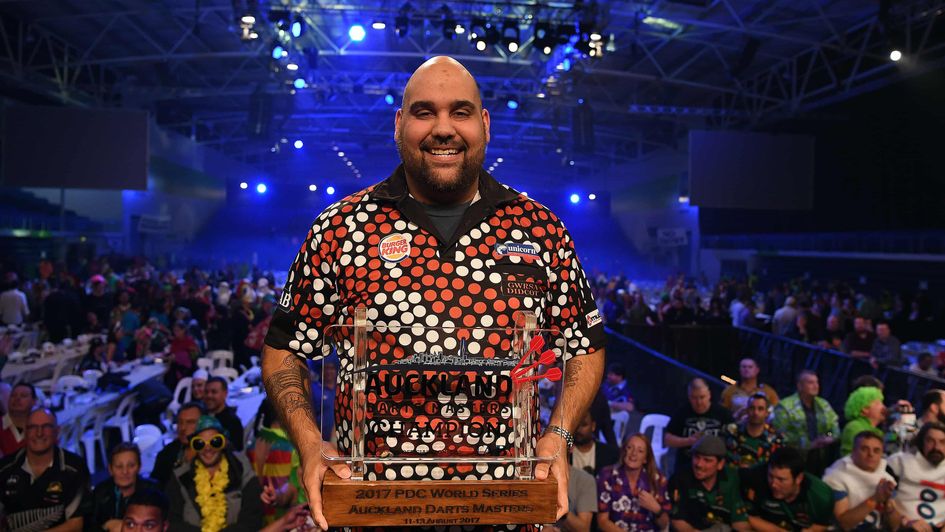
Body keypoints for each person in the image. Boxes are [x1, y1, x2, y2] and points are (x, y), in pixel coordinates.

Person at [261, 55, 606, 528]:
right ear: (399, 124)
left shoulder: (540, 229)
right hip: (372, 511)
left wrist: (559, 434)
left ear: (484, 124)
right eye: (425, 112)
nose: (443, 128)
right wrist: (309, 442)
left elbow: (584, 346)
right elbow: (283, 351)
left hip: (504, 511)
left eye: (460, 112)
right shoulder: (341, 228)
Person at [165, 415, 262, 531]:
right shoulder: (181, 477)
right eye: (200, 443)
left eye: (215, 442)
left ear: (224, 442)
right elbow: (173, 522)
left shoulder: (242, 470)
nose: (208, 448)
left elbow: (252, 520)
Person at [0, 408, 91, 530]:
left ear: (57, 431)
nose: (39, 433)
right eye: (33, 427)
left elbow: (76, 525)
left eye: (46, 427)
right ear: (26, 432)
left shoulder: (74, 468)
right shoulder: (5, 468)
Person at [740, 446, 836, 531]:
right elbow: (745, 516)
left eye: (781, 479)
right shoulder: (753, 477)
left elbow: (822, 524)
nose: (773, 484)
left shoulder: (821, 497)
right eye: (770, 476)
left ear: (799, 478)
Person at [668, 435, 750, 531]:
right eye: (696, 457)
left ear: (720, 464)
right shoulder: (680, 478)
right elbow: (677, 521)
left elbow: (739, 521)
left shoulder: (731, 477)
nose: (699, 464)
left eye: (707, 460)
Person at [823, 431, 898, 531]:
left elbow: (895, 526)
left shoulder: (886, 479)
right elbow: (844, 524)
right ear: (853, 451)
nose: (871, 454)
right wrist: (875, 499)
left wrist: (889, 506)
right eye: (864, 449)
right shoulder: (836, 477)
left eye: (876, 451)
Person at [596, 434, 671, 531]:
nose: (634, 453)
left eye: (640, 451)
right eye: (630, 447)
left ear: (645, 459)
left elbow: (664, 525)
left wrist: (656, 509)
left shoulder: (658, 479)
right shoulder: (607, 476)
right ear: (623, 451)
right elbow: (602, 521)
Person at [665, 378, 732, 474]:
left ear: (709, 395)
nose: (699, 402)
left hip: (715, 469)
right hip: (686, 466)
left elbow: (733, 439)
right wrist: (689, 441)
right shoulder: (682, 412)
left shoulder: (723, 413)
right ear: (689, 397)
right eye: (694, 398)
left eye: (702, 397)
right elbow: (668, 440)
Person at [887, 421, 945, 530]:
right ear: (921, 442)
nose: (937, 447)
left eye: (942, 442)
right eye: (930, 441)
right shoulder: (898, 462)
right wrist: (904, 521)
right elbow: (883, 498)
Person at [90, 442, 160, 531]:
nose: (125, 472)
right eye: (119, 466)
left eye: (131, 466)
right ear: (110, 469)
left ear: (139, 467)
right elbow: (90, 527)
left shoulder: (153, 491)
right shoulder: (100, 491)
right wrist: (106, 526)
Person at [772, 370, 839, 452]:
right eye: (811, 383)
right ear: (800, 386)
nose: (816, 386)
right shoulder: (784, 406)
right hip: (794, 456)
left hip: (821, 455)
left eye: (817, 382)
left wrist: (828, 437)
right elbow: (781, 435)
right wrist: (808, 445)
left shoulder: (824, 404)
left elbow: (832, 428)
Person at [723, 392, 784, 469]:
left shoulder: (775, 439)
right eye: (752, 408)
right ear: (747, 410)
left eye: (760, 409)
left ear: (767, 413)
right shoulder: (731, 431)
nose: (756, 413)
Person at [151, 402, 204, 486]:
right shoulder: (166, 454)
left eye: (190, 422)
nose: (183, 428)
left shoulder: (212, 452)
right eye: (180, 422)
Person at [570, 411, 618, 477]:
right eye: (576, 424)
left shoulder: (609, 454)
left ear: (593, 426)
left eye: (584, 425)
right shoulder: (563, 453)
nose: (578, 429)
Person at [840, 386, 885, 456]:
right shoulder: (854, 427)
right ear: (865, 409)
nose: (883, 407)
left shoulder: (877, 431)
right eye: (878, 403)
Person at [204, 376, 244, 450]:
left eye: (214, 392)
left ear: (225, 394)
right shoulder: (200, 416)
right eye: (206, 392)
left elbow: (237, 451)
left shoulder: (233, 422)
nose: (209, 396)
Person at [0, 382, 37, 456]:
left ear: (34, 401)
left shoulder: (42, 426)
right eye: (13, 395)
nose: (17, 398)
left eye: (23, 396)